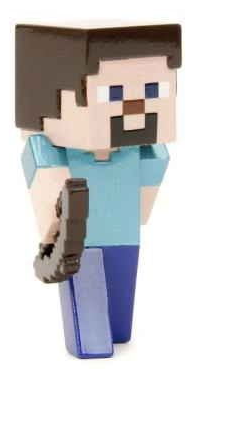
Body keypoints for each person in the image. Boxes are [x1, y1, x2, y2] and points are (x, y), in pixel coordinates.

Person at [16, 21, 181, 358]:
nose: (134, 106)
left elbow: (150, 181)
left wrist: (139, 206)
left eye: (154, 90)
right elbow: (50, 198)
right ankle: (91, 343)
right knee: (91, 325)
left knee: (120, 314)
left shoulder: (140, 150)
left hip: (125, 233)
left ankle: (116, 330)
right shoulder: (48, 152)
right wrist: (57, 234)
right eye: (113, 95)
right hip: (81, 243)